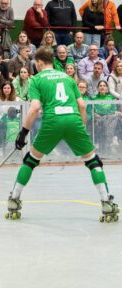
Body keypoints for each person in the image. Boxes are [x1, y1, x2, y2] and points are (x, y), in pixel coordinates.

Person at [8, 47, 119, 221]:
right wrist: (80, 127)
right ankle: (106, 202)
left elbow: (35, 108)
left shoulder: (36, 80)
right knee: (93, 161)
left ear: (38, 63)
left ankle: (14, 200)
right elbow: (82, 105)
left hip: (53, 121)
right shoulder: (69, 78)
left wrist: (23, 133)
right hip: (73, 119)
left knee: (30, 160)